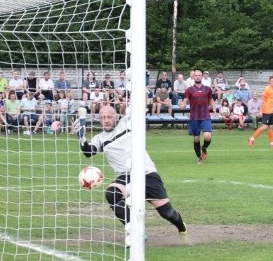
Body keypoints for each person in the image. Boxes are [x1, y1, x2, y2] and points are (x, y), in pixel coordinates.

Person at [73, 105, 187, 242]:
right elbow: (88, 152)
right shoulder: (100, 138)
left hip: (146, 173)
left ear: (116, 117)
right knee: (111, 194)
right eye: (103, 117)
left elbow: (138, 109)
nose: (106, 120)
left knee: (167, 213)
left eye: (109, 117)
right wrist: (81, 136)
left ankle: (182, 227)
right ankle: (135, 231)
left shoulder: (126, 123)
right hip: (125, 176)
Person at [181, 69, 215, 163]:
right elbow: (185, 99)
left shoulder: (207, 89)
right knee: (196, 139)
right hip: (194, 117)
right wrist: (183, 104)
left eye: (199, 75)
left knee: (207, 136)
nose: (197, 76)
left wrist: (214, 109)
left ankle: (204, 148)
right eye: (196, 75)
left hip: (205, 116)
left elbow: (211, 100)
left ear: (202, 76)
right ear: (193, 76)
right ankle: (199, 157)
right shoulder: (189, 90)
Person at [249, 75, 273, 148]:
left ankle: (272, 143)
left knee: (271, 127)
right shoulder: (267, 89)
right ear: (269, 81)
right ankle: (252, 139)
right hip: (266, 111)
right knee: (264, 127)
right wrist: (260, 111)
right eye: (272, 81)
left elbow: (272, 100)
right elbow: (263, 101)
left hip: (271, 111)